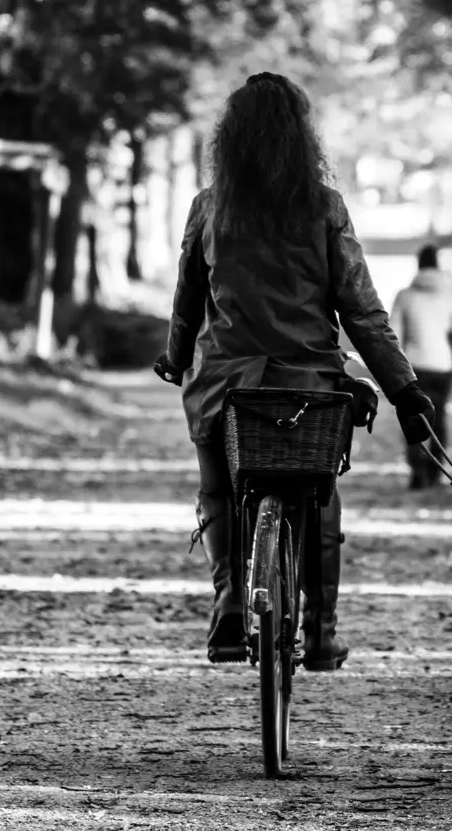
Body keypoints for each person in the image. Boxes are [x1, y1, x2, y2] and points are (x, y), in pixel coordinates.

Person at [151, 73, 434, 671]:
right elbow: (360, 309)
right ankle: (322, 632)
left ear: (230, 140)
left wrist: (176, 361)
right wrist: (404, 389)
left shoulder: (209, 209)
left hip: (226, 388)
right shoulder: (325, 209)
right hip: (309, 387)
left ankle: (230, 603)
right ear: (302, 139)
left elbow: (188, 303)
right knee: (320, 500)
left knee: (217, 489)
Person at [391, 243, 452, 490]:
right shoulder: (451, 297)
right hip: (443, 367)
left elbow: (393, 336)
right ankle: (435, 472)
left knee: (412, 418)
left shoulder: (404, 296)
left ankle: (417, 469)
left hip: (414, 368)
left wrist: (390, 369)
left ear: (418, 265)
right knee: (438, 419)